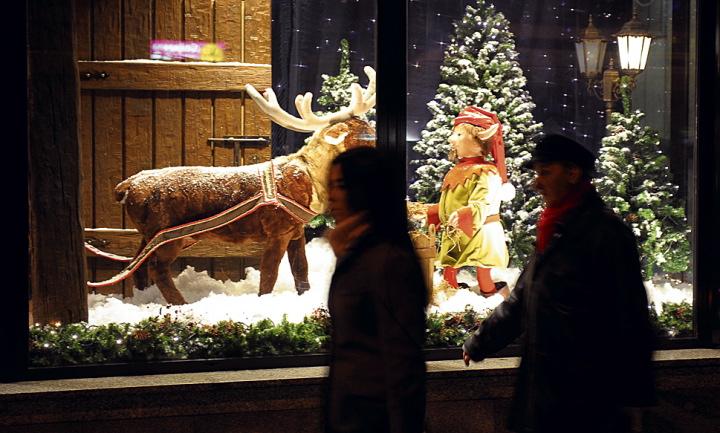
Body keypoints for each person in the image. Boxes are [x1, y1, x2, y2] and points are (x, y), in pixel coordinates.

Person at [462, 134, 656, 433]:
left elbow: (631, 316)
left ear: (573, 173)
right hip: (547, 390)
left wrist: (633, 398)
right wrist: (480, 342)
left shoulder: (604, 232)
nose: (536, 183)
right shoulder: (555, 229)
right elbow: (523, 299)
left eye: (545, 172)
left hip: (587, 398)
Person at [324, 146, 427, 433]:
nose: (331, 195)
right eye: (330, 185)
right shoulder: (353, 251)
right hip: (351, 416)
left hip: (372, 419)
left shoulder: (387, 260)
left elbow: (403, 362)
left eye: (340, 185)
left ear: (365, 190)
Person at [427, 106, 514, 296]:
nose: (451, 139)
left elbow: (481, 201)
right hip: (457, 230)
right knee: (449, 268)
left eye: (458, 134)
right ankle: (451, 297)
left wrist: (464, 214)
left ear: (478, 141)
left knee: (483, 269)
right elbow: (449, 201)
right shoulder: (456, 171)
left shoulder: (486, 172)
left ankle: (489, 296)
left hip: (481, 230)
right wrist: (436, 212)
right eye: (454, 133)